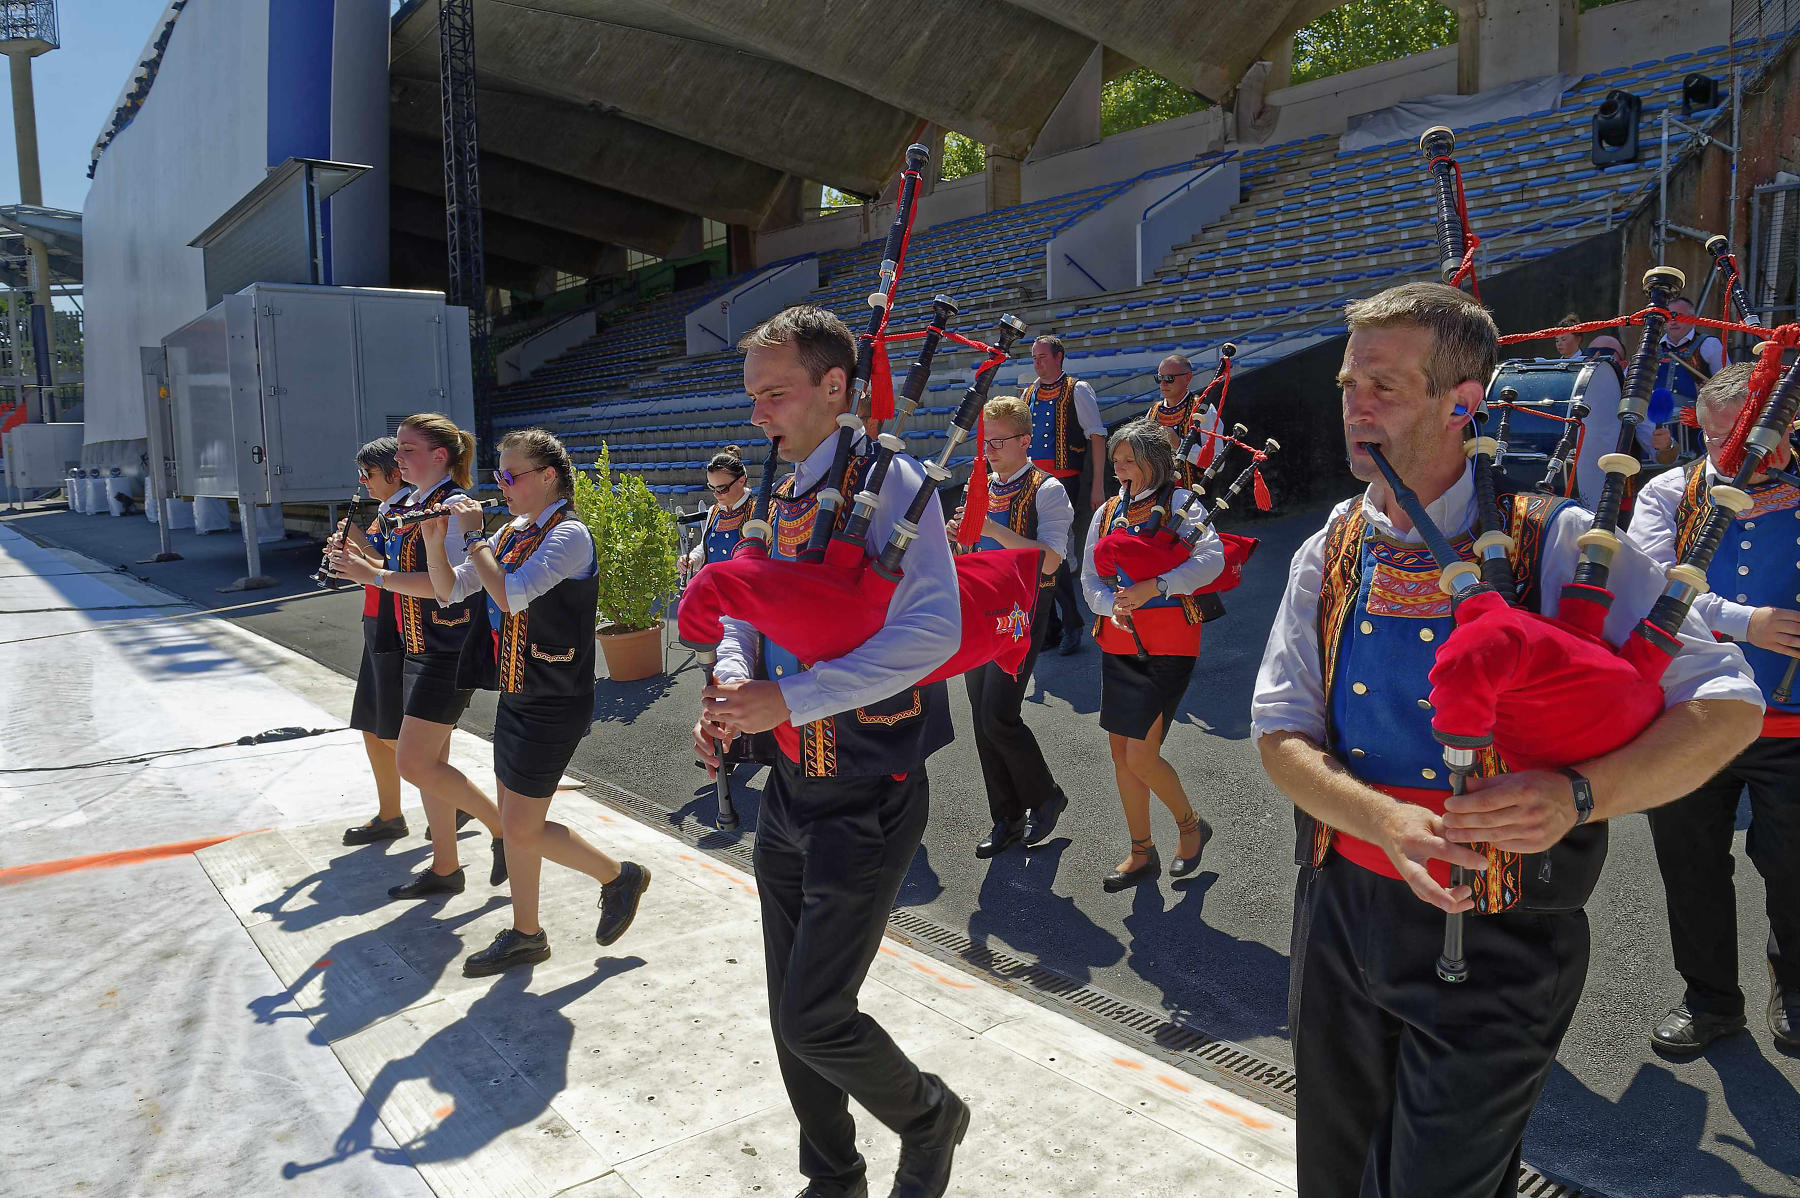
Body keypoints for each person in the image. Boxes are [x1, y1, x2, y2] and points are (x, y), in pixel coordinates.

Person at [1251, 281, 1762, 1197]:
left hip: (1501, 935)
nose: (1354, 407)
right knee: (1331, 1178)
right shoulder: (1330, 546)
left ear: (1465, 402)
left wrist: (1582, 795)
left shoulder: (1558, 540)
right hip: (1339, 917)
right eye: (1346, 382)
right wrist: (1383, 822)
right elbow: (1280, 734)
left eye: (1385, 387)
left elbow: (1729, 703)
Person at [691, 305, 969, 1198]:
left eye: (774, 394)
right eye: (753, 396)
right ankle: (833, 1175)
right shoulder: (784, 482)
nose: (758, 415)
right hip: (789, 788)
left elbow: (934, 629)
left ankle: (930, 1118)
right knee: (789, 1014)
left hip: (868, 790)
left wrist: (792, 696)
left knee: (816, 1015)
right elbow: (749, 606)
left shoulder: (893, 481)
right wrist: (736, 688)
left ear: (835, 386)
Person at [412, 428, 650, 976]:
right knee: (521, 820)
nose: (503, 484)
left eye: (511, 475)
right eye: (499, 474)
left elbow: (511, 594)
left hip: (555, 696)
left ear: (548, 477)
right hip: (517, 691)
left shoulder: (571, 536)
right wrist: (433, 537)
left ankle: (618, 876)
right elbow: (452, 590)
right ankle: (526, 932)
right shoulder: (515, 530)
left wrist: (473, 536)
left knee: (519, 826)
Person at [1625, 361, 1800, 1054]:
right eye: (1727, 439)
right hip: (1689, 715)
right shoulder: (1670, 491)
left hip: (1791, 720)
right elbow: (1647, 580)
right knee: (1690, 862)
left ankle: (1795, 986)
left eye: (1760, 438)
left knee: (1793, 863)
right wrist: (1743, 621)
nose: (1747, 457)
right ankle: (1710, 999)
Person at [331, 412, 507, 900]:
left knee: (416, 762)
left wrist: (372, 575)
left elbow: (443, 587)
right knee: (432, 761)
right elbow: (396, 568)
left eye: (407, 450)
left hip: (449, 649)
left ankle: (503, 829)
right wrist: (356, 561)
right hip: (417, 646)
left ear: (439, 456)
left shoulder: (454, 508)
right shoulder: (407, 503)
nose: (398, 458)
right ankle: (446, 866)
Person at [1080, 419, 1224, 893]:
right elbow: (1090, 579)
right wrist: (1111, 605)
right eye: (1116, 460)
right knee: (1121, 753)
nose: (1119, 468)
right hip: (1119, 642)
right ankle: (1141, 850)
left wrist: (1156, 586)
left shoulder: (1184, 505)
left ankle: (1190, 826)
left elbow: (1212, 560)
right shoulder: (1105, 512)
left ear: (1153, 463)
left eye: (1129, 460)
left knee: (1142, 755)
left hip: (1170, 643)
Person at [946, 394, 1074, 860]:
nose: (990, 450)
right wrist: (955, 536)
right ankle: (1006, 816)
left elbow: (1052, 560)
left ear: (1025, 441)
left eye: (999, 441)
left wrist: (991, 530)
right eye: (986, 441)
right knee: (981, 718)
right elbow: (970, 544)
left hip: (1020, 613)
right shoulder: (977, 484)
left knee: (998, 714)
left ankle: (1045, 796)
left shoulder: (1047, 489)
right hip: (978, 607)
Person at [328, 437, 414, 845]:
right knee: (371, 725)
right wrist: (349, 547)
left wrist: (357, 542)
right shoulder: (387, 512)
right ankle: (390, 813)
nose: (363, 483)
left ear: (394, 474)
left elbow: (391, 568)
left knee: (397, 732)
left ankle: (454, 797)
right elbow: (374, 562)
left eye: (368, 475)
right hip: (376, 619)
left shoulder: (409, 513)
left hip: (396, 625)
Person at [1023, 334, 1106, 656]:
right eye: (1034, 357)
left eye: (1042, 356)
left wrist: (1097, 484)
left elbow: (1096, 437)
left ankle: (1069, 624)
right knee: (1037, 557)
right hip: (1032, 482)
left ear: (1059, 357)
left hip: (1064, 484)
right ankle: (1054, 626)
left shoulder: (1077, 389)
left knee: (1050, 552)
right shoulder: (1029, 392)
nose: (1037, 362)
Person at [1655, 296, 1728, 462]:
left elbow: (1728, 389)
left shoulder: (1709, 345)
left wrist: (1710, 390)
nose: (1673, 321)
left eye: (1679, 316)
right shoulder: (1651, 349)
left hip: (1694, 425)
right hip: (1654, 424)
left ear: (1693, 319)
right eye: (1669, 316)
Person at [1145, 352, 1225, 487]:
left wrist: (1179, 444)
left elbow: (1217, 464)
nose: (1163, 383)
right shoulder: (1153, 412)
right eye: (1160, 378)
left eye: (1170, 378)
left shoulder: (1203, 410)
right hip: (1157, 494)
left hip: (1193, 497)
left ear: (1187, 378)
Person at [682, 446, 751, 581]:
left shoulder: (757, 510)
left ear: (741, 480)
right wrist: (692, 560)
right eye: (712, 488)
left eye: (722, 488)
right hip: (715, 589)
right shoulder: (714, 511)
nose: (716, 494)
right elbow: (705, 547)